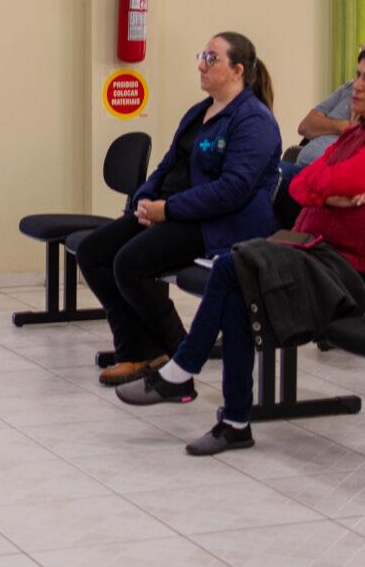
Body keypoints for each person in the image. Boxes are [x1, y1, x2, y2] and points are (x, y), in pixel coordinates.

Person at [116, 42, 365, 455]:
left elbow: (338, 180)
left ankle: (185, 368)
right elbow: (298, 183)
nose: (357, 87)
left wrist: (327, 189)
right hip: (310, 254)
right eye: (358, 76)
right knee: (236, 287)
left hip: (348, 274)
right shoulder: (358, 132)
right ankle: (235, 422)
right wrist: (327, 195)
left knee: (232, 267)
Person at [77, 32, 281, 386]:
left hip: (217, 224)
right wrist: (143, 200)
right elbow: (168, 164)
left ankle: (178, 357)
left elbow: (231, 191)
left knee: (130, 263)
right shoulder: (200, 111)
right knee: (93, 251)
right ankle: (138, 350)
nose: (201, 65)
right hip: (175, 211)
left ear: (237, 70)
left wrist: (167, 210)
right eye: (201, 55)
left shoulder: (253, 121)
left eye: (212, 58)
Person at [281, 25, 365, 183]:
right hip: (310, 174)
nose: (357, 86)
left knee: (265, 174)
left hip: (320, 180)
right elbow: (305, 126)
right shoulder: (351, 92)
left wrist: (309, 185)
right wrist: (347, 126)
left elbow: (346, 182)